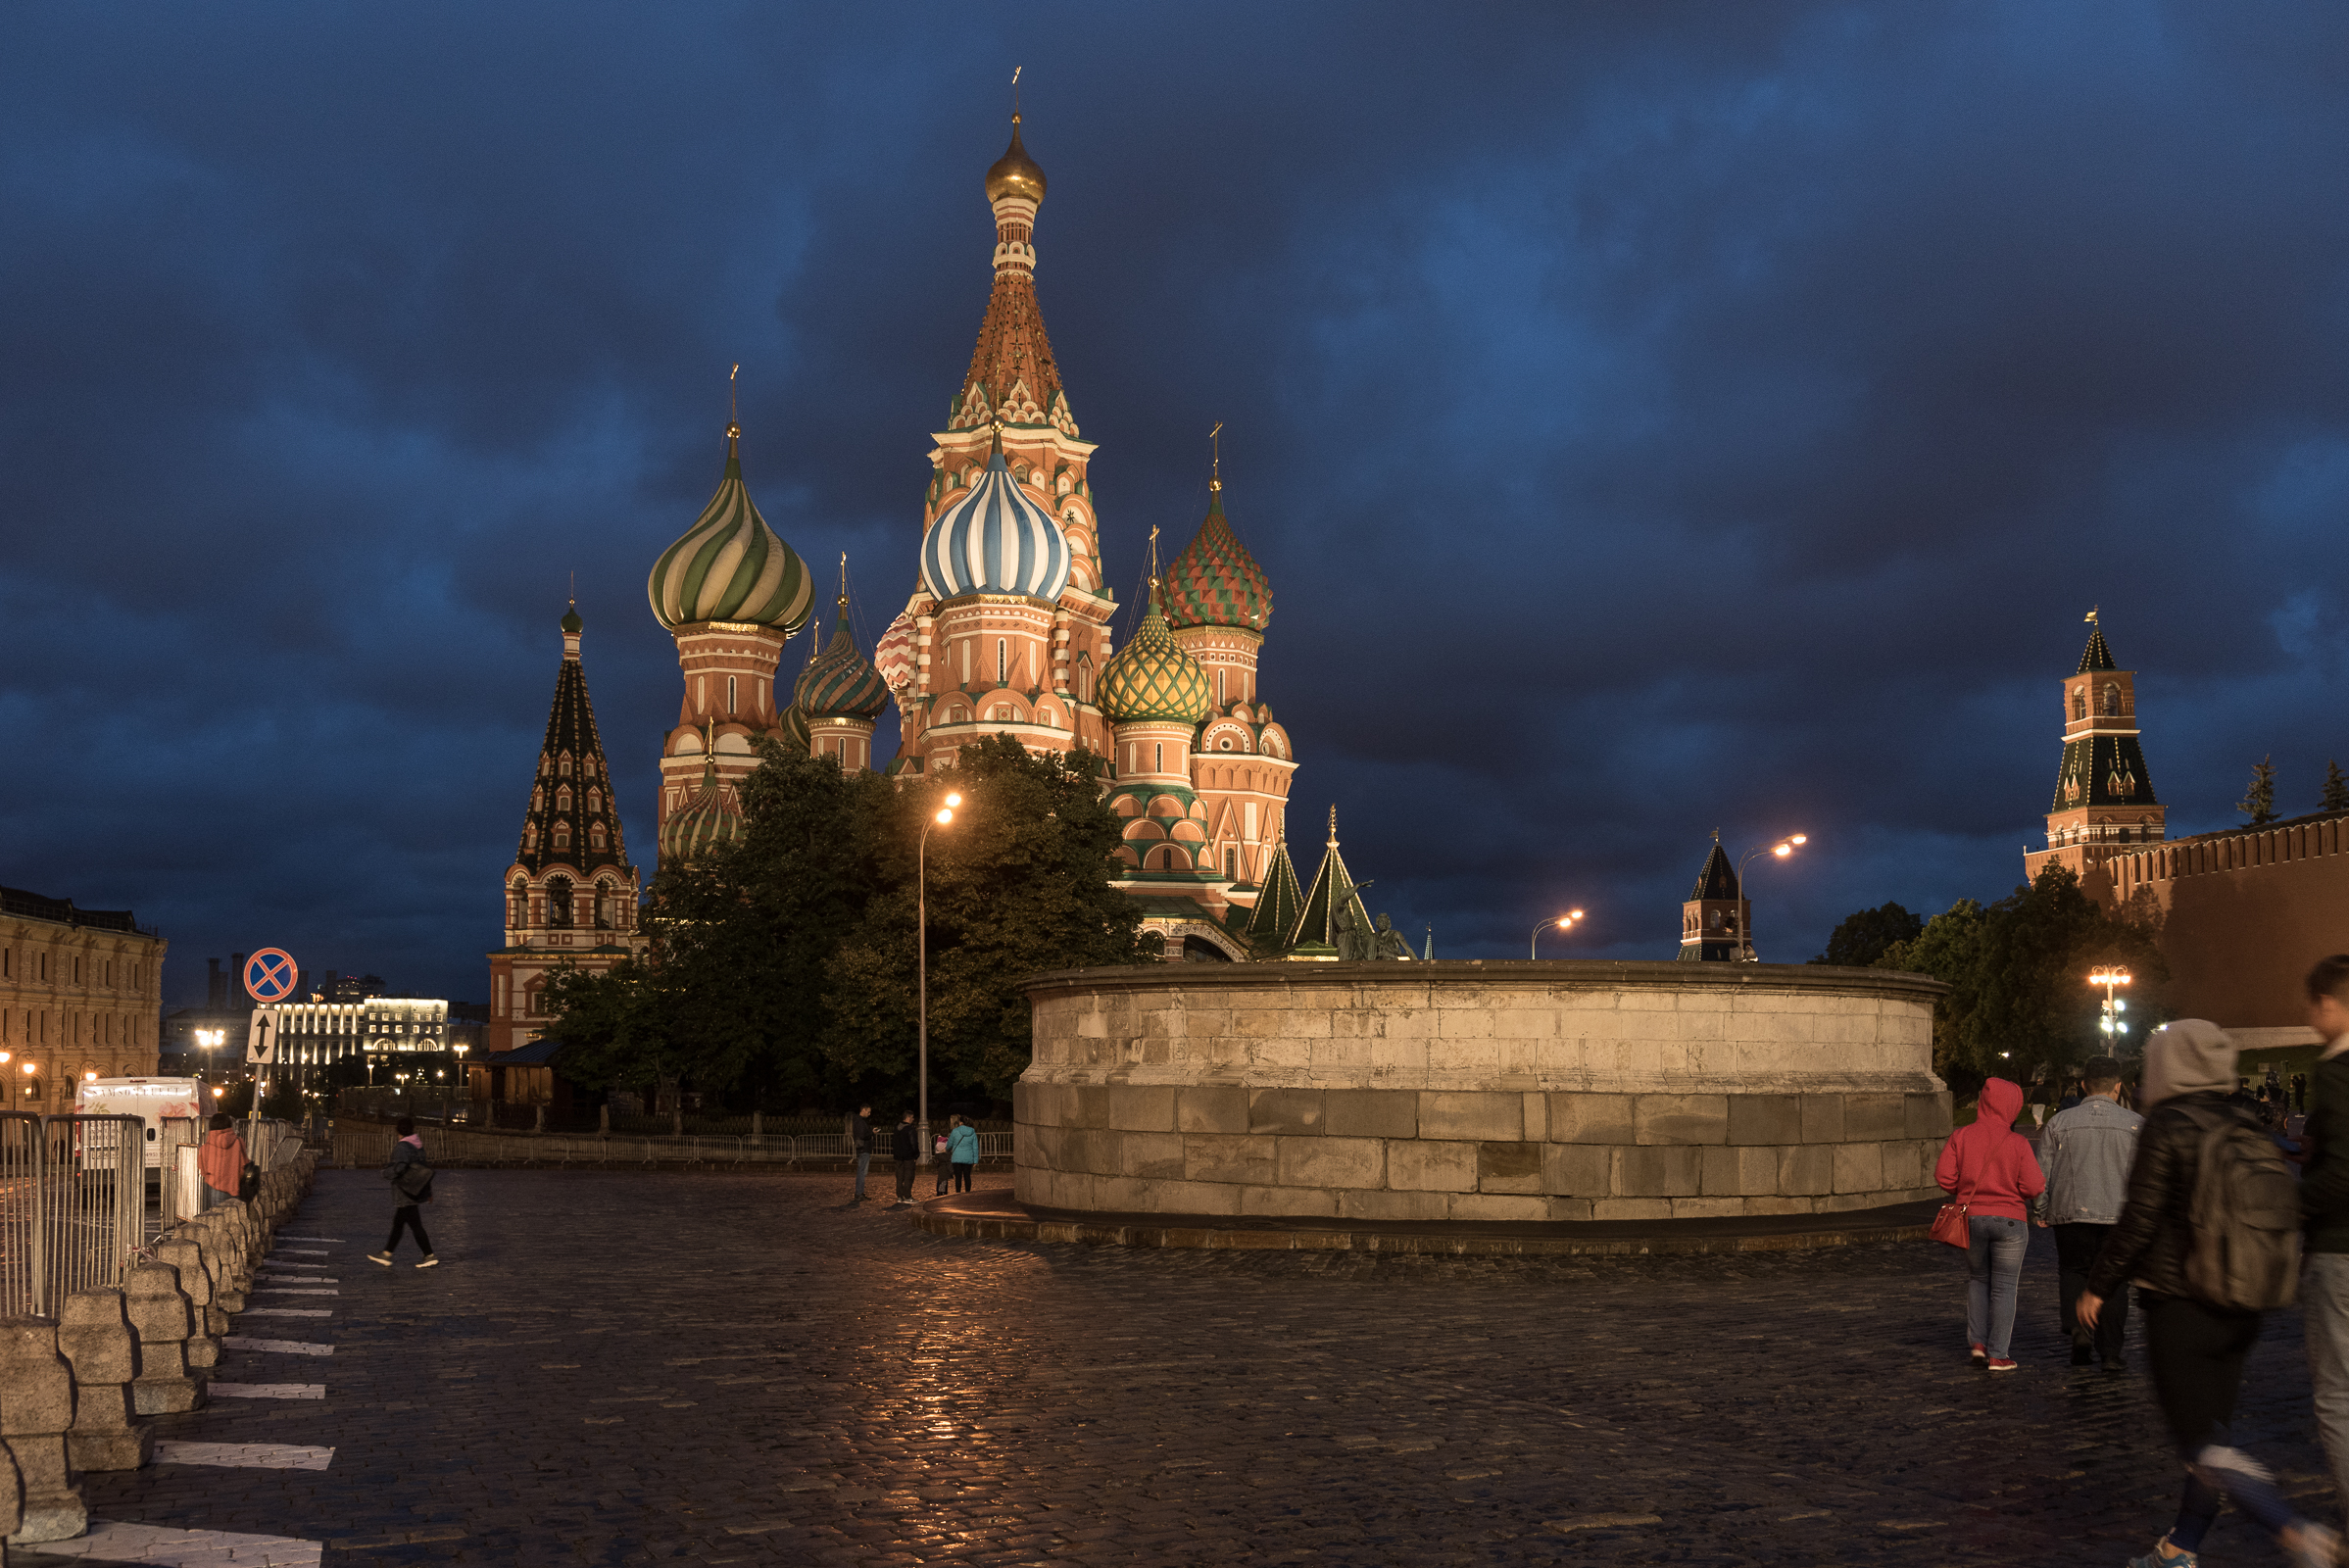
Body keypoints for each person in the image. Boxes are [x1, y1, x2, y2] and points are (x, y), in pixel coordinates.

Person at [2082, 1020, 2339, 1567]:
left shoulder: (2169, 1123)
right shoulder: (2246, 1118)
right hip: (2246, 1300)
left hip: (2181, 1301)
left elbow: (2141, 1216)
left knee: (2201, 1443)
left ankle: (2293, 1530)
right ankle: (2180, 1549)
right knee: (2213, 1433)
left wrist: (2098, 1285)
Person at [2035, 1054, 2143, 1369]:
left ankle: (2079, 1331)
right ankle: (2110, 1351)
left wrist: (2041, 1208)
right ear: (2117, 1087)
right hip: (2119, 1216)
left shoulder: (2059, 1123)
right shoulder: (2136, 1125)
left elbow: (2042, 1174)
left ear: (2084, 1086)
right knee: (2114, 1280)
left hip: (2071, 1212)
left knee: (2073, 1271)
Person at [1934, 1078, 2044, 1371]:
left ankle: (1978, 1344)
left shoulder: (1962, 1135)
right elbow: (2034, 1186)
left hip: (1971, 1218)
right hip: (2010, 1220)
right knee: (2005, 1288)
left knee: (1978, 1280)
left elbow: (1944, 1177)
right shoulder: (2018, 1142)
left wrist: (1966, 1184)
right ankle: (1999, 1354)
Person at [2297, 956, 2349, 1530]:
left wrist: (2291, 1207)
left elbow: (2341, 1173)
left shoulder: (2336, 1069)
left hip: (2341, 1248)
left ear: (2328, 1004)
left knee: (2337, 1395)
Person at [370, 1116, 437, 1268]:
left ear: (398, 1130)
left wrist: (385, 1173)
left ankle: (428, 1255)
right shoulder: (418, 1146)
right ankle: (388, 1253)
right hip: (415, 1189)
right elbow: (423, 1169)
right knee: (401, 1223)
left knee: (412, 1224)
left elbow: (399, 1167)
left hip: (405, 1190)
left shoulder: (402, 1147)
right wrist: (429, 1191)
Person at [195, 1113, 244, 1214]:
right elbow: (244, 1165)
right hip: (237, 1187)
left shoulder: (205, 1148)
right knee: (236, 1221)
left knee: (218, 1221)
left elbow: (203, 1170)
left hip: (216, 1189)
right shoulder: (239, 1142)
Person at [890, 1110, 919, 1204]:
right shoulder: (910, 1129)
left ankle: (899, 1196)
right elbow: (913, 1143)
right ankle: (907, 1196)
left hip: (898, 1157)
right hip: (908, 1156)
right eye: (912, 1117)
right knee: (908, 1176)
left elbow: (893, 1142)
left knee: (899, 1176)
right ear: (908, 1118)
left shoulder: (896, 1128)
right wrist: (916, 1154)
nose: (913, 1119)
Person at [947, 1114, 980, 1194]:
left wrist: (947, 1149)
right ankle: (967, 1193)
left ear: (960, 1122)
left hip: (957, 1157)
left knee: (958, 1177)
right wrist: (975, 1160)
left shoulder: (955, 1131)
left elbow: (949, 1144)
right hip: (968, 1158)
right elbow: (975, 1147)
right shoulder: (972, 1132)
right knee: (967, 1176)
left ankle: (958, 1193)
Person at [850, 1104, 876, 1202]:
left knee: (862, 1172)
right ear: (863, 1110)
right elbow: (862, 1135)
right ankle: (859, 1193)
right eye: (868, 1112)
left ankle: (860, 1192)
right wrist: (872, 1133)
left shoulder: (859, 1121)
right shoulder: (860, 1121)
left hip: (863, 1149)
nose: (869, 1114)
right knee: (862, 1172)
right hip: (863, 1149)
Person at [933, 1127, 952, 1197]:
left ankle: (941, 1191)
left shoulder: (938, 1140)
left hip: (940, 1162)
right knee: (943, 1179)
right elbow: (947, 1150)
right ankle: (942, 1192)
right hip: (944, 1161)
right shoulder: (946, 1141)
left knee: (941, 1178)